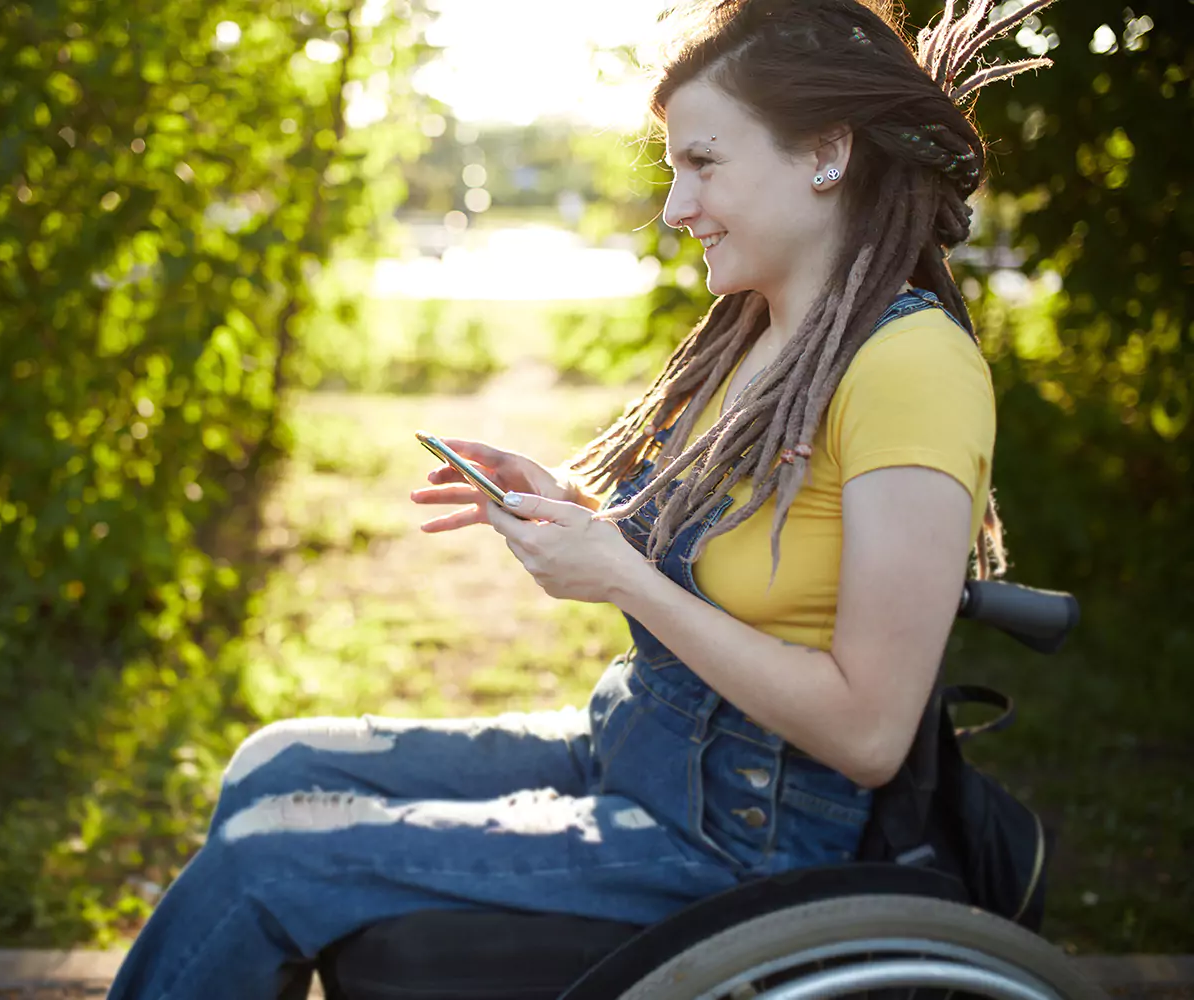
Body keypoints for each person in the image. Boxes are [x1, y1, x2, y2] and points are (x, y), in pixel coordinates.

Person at [105, 0, 1058, 996]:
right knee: (273, 762)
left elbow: (869, 735)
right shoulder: (764, 334)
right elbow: (735, 555)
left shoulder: (910, 366)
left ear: (824, 151)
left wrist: (625, 582)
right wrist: (580, 509)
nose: (675, 208)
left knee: (269, 863)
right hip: (641, 747)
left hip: (742, 832)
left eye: (704, 164)